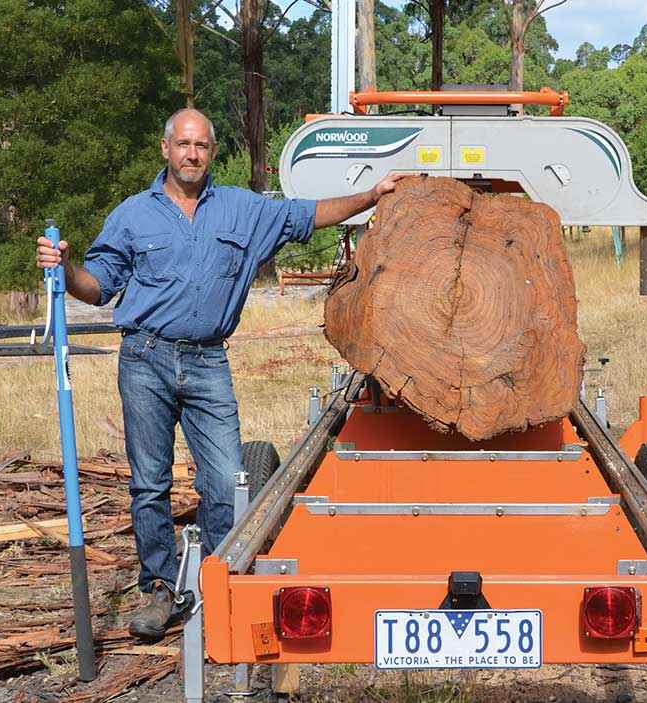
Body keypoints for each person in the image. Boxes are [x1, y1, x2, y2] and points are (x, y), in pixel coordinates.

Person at [36, 108, 404, 639]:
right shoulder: (133, 215)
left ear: (212, 152)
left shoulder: (242, 209)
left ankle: (219, 587)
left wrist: (371, 195)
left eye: (202, 146)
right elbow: (98, 286)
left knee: (227, 479)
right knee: (149, 483)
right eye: (183, 144)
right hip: (145, 359)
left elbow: (308, 214)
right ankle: (160, 590)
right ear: (165, 149)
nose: (192, 154)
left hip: (209, 361)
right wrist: (65, 269)